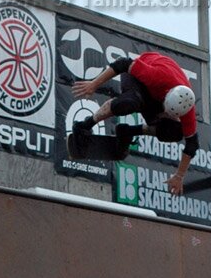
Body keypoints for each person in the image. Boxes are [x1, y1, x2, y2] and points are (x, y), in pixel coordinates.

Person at [72, 51, 199, 196]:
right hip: (138, 78)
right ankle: (84, 125)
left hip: (158, 96)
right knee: (128, 103)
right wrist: (93, 84)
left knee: (174, 131)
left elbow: (192, 145)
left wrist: (179, 176)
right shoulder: (156, 76)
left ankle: (127, 131)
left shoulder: (187, 108)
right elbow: (122, 63)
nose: (161, 116)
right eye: (165, 112)